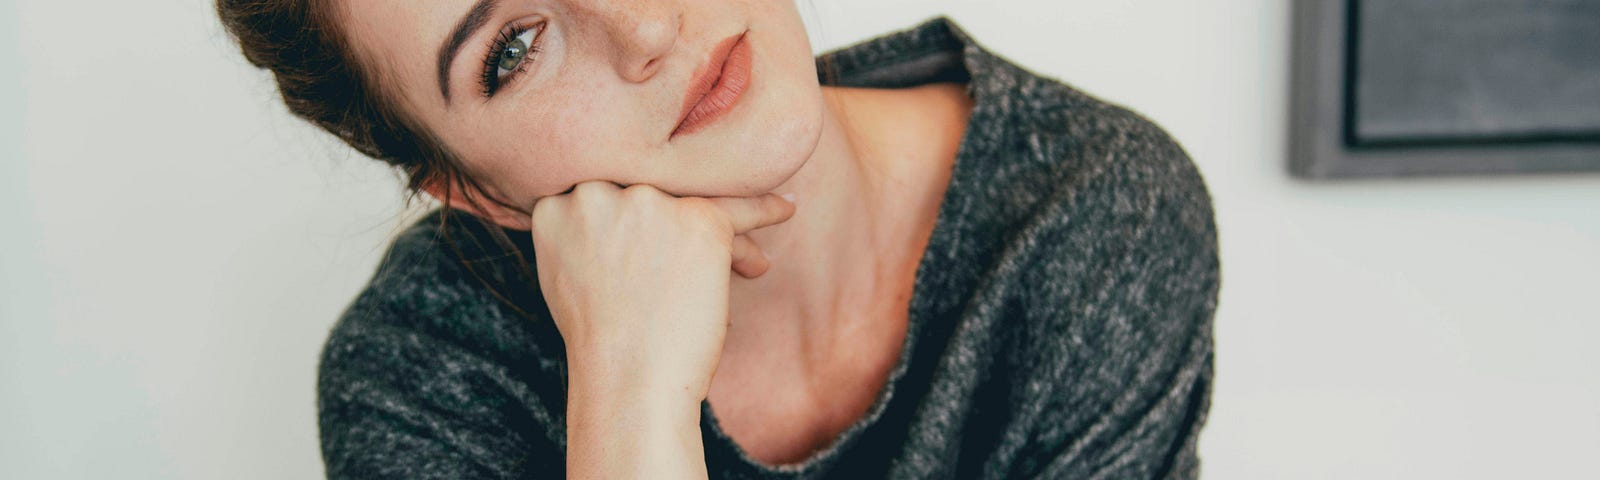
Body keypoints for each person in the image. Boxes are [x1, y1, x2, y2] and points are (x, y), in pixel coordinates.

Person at [217, 1, 1220, 478]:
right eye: (514, 49)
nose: (643, 25)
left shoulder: (1085, 213)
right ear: (469, 193)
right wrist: (629, 397)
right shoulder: (425, 374)